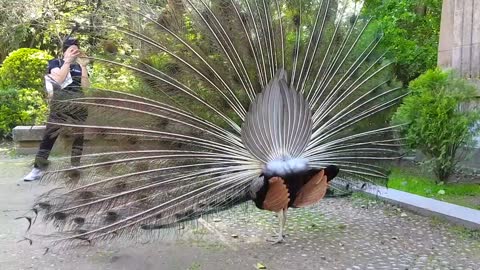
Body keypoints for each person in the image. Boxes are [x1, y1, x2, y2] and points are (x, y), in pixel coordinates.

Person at [24, 37, 90, 181]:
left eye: (76, 49)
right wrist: (67, 62)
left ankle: (75, 166)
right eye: (71, 49)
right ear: (64, 51)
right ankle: (38, 169)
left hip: (78, 103)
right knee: (50, 135)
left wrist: (84, 66)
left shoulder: (80, 66)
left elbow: (86, 87)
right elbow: (58, 81)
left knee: (79, 136)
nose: (74, 51)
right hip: (60, 104)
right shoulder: (56, 63)